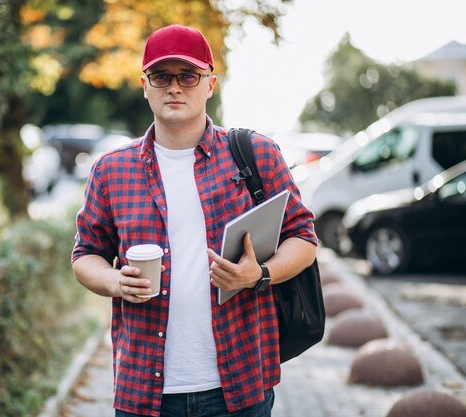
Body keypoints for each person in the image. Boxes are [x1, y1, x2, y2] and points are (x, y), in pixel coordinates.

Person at [72, 24, 317, 417]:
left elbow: (303, 238)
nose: (174, 87)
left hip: (240, 386)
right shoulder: (110, 171)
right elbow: (85, 255)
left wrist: (259, 275)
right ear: (144, 84)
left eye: (188, 75)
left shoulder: (256, 154)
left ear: (210, 84)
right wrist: (114, 281)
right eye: (161, 76)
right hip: (144, 392)